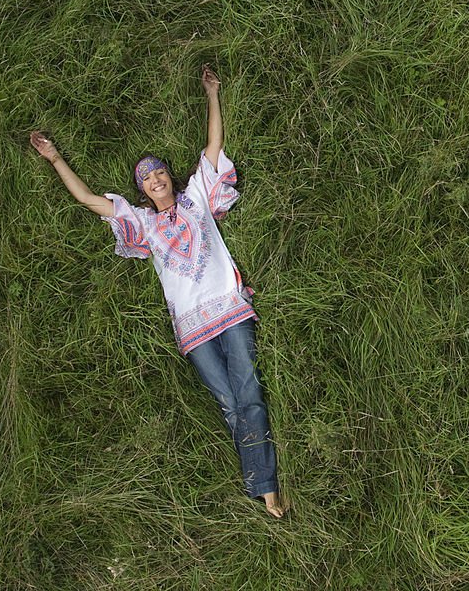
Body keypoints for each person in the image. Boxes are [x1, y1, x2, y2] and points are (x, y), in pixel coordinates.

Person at [29, 64, 284, 518]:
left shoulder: (197, 198)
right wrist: (54, 159)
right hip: (191, 327)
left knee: (247, 392)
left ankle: (265, 487)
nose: (155, 179)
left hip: (229, 308)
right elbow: (89, 200)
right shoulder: (141, 224)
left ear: (169, 175)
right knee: (229, 403)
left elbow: (213, 146)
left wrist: (212, 93)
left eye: (159, 172)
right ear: (142, 190)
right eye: (146, 178)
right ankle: (261, 481)